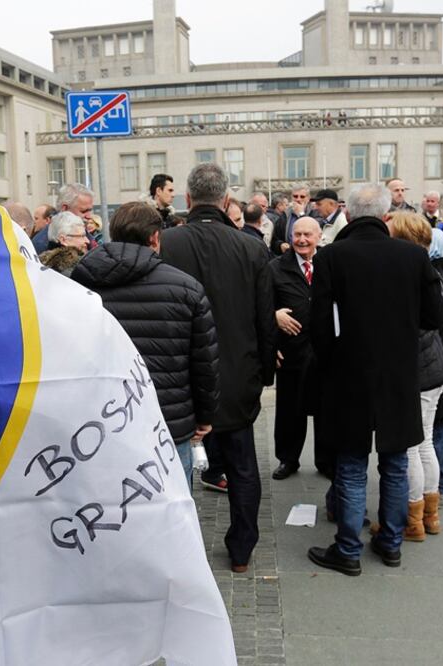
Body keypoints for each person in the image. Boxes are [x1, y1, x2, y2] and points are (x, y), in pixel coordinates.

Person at [306, 183, 443, 576]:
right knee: (395, 463)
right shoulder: (412, 257)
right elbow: (434, 316)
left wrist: (335, 356)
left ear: (347, 215)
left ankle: (348, 549)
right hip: (399, 374)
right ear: (387, 216)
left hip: (348, 376)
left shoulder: (332, 256)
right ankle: (391, 543)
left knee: (351, 465)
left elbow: (319, 324)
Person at [160, 163, 277, 573]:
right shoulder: (251, 247)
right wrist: (265, 372)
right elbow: (265, 320)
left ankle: (180, 552)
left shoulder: (167, 243)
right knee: (243, 464)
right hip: (235, 372)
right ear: (227, 201)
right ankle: (242, 548)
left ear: (187, 200)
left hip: (178, 373)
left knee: (174, 466)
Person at [71, 202, 219, 488]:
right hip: (169, 424)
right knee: (174, 509)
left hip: (105, 423)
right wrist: (204, 417)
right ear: (155, 237)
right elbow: (204, 363)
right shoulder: (186, 288)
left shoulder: (79, 283)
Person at [386, 212, 443, 542]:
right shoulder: (428, 268)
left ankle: (413, 520)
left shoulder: (409, 271)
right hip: (433, 366)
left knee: (411, 446)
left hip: (417, 368)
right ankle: (431, 515)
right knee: (424, 441)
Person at [269, 217, 320, 480]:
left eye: (307, 235)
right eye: (297, 234)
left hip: (324, 351)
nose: (301, 240)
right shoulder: (276, 268)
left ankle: (326, 460)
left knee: (325, 408)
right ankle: (288, 459)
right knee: (290, 408)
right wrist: (274, 316)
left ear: (318, 237)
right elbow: (259, 306)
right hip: (290, 351)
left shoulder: (328, 264)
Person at [33, 183, 93, 253]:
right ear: (65, 208)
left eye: (90, 210)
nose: (89, 216)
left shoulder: (84, 233)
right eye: (84, 211)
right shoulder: (42, 244)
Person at [38, 211, 89, 276]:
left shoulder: (41, 266)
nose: (87, 241)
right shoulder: (75, 272)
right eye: (82, 236)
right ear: (63, 240)